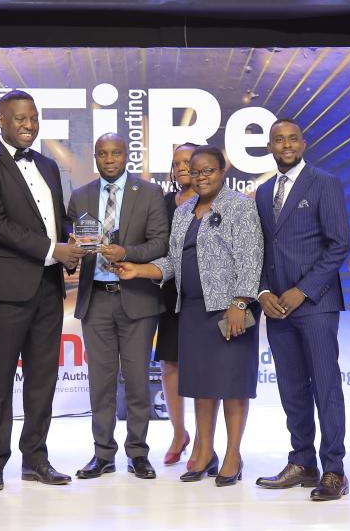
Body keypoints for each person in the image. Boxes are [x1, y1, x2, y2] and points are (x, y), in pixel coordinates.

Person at [116, 145, 262, 487]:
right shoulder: (183, 213)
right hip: (192, 311)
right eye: (195, 172)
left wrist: (240, 304)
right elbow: (172, 262)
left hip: (229, 310)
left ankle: (232, 455)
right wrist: (138, 270)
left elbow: (252, 258)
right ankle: (204, 452)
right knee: (203, 388)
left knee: (232, 386)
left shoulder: (239, 207)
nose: (201, 177)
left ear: (223, 171)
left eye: (208, 170)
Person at [0, 90, 85, 492]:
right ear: (0, 119)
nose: (29, 125)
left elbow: (58, 219)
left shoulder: (49, 166)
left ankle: (35, 458)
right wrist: (54, 249)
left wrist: (74, 246)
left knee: (42, 379)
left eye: (33, 118)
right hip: (6, 290)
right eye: (19, 118)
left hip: (49, 288)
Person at [254, 119, 350, 501]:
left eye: (292, 138)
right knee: (291, 388)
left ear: (303, 143)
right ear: (270, 146)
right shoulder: (263, 192)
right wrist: (263, 291)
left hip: (315, 305)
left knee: (326, 387)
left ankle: (334, 470)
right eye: (279, 139)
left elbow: (339, 244)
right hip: (276, 309)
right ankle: (302, 461)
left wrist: (304, 290)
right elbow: (259, 249)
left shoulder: (324, 183)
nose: (286, 144)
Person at [66, 133, 169, 481]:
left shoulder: (151, 193)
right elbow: (73, 244)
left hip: (137, 299)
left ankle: (138, 453)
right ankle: (103, 454)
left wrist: (125, 252)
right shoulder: (80, 196)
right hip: (95, 299)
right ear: (95, 157)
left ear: (127, 155)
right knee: (101, 383)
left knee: (138, 381)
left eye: (116, 153)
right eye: (102, 154)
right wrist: (72, 250)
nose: (109, 159)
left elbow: (160, 243)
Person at [154, 143, 199, 467]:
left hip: (205, 297)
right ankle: (178, 432)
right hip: (170, 293)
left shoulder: (216, 201)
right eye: (177, 162)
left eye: (189, 161)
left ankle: (202, 440)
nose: (182, 167)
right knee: (170, 365)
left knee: (203, 369)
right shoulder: (165, 203)